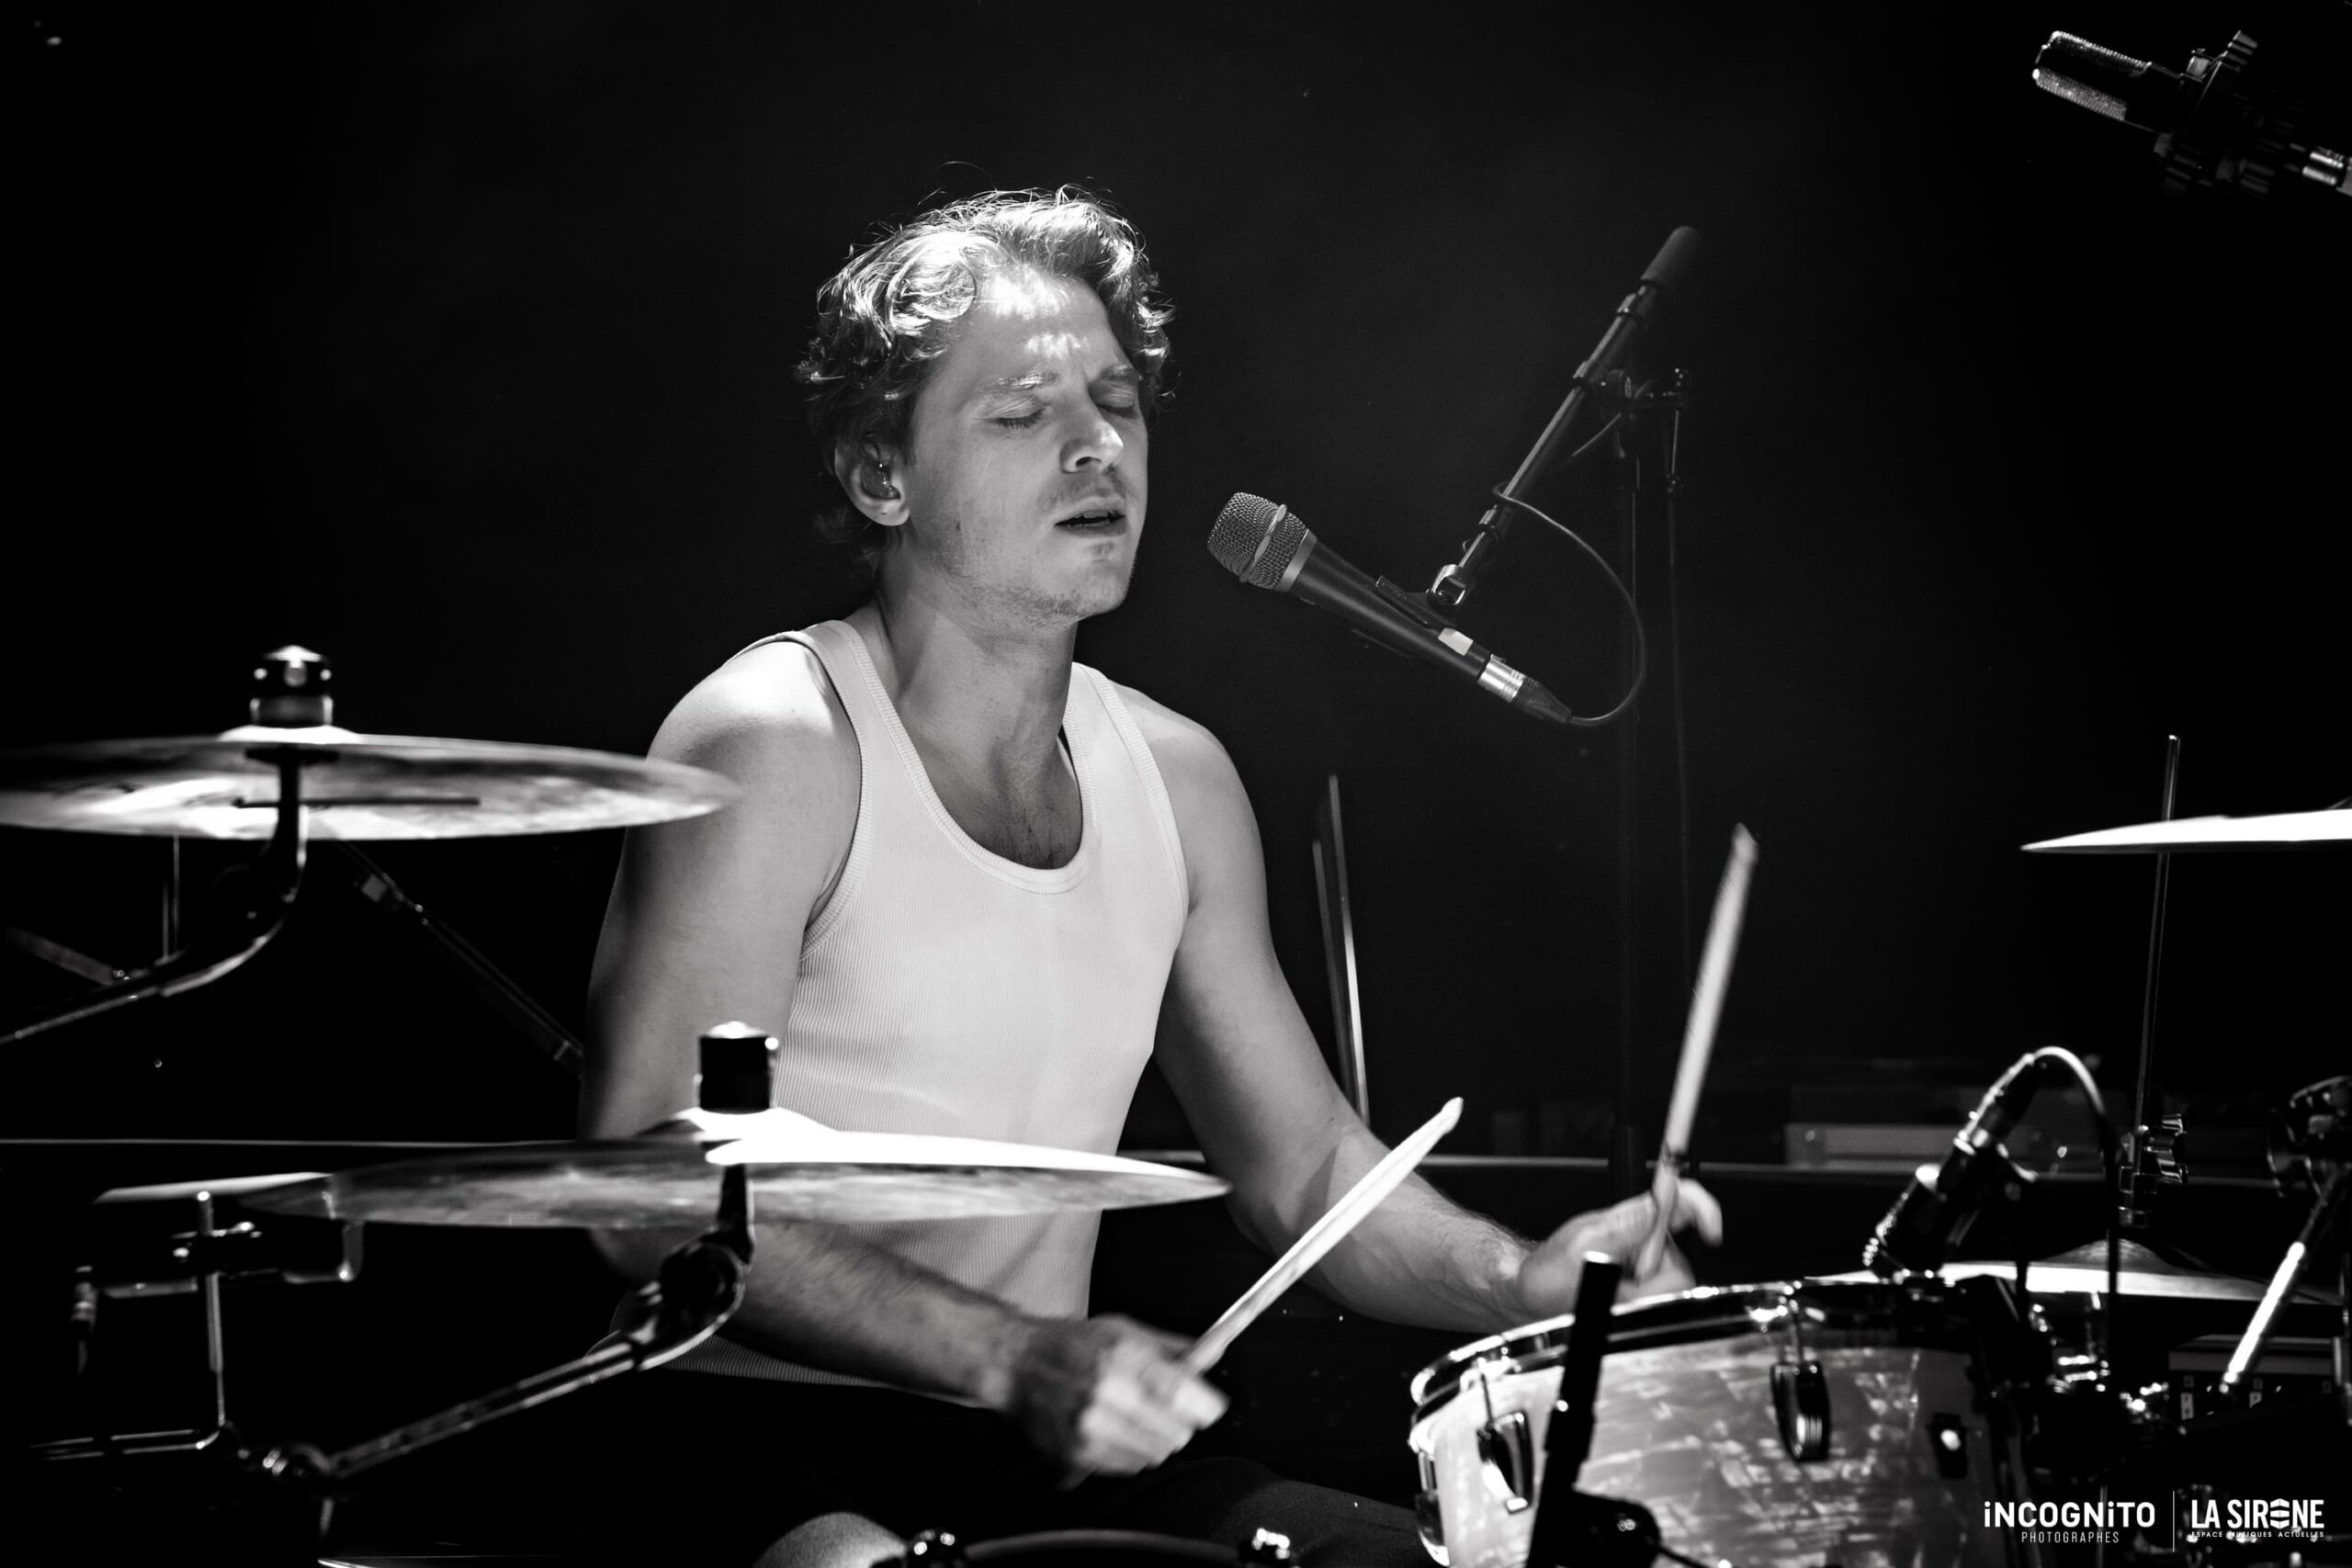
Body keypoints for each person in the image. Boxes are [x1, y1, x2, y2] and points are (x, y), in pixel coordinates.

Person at [581, 188, 1720, 1568]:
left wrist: (1520, 1281)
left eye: (1117, 405)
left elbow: (1306, 1169)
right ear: (882, 475)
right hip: (752, 1439)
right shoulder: (778, 741)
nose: (1096, 447)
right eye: (1021, 416)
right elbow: (646, 1189)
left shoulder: (1176, 778)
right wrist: (1014, 1355)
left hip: (1041, 1450)